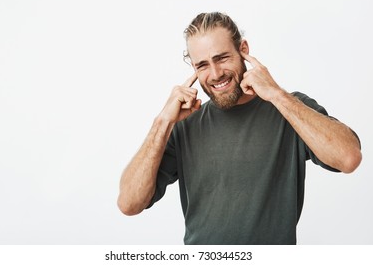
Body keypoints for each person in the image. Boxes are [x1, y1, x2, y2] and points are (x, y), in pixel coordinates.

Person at [117, 12, 362, 244]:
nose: (215, 74)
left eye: (222, 58)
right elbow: (129, 204)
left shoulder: (289, 109)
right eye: (202, 65)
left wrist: (277, 95)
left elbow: (348, 158)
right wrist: (162, 122)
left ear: (243, 50)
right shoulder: (184, 125)